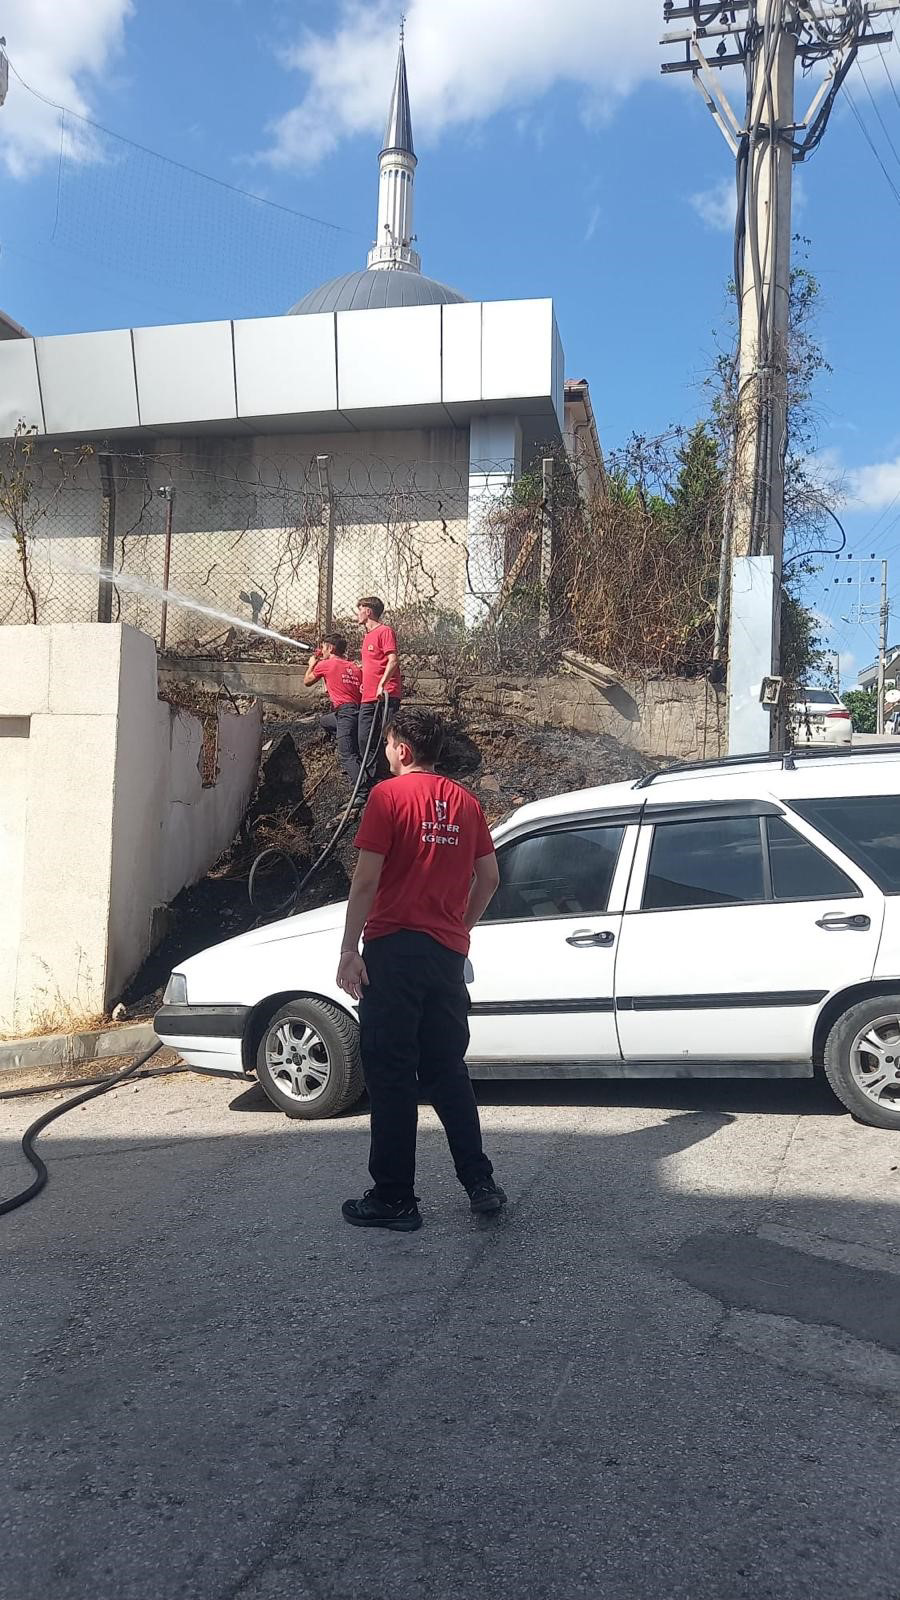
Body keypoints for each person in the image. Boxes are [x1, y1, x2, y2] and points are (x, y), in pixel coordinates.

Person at [336, 707, 505, 1232]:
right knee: (447, 1071)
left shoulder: (387, 798)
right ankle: (480, 1183)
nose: (385, 753)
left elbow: (365, 882)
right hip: (445, 957)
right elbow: (490, 878)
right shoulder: (468, 804)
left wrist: (348, 949)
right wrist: (460, 929)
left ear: (403, 750)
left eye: (387, 745)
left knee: (391, 1075)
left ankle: (395, 1197)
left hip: (394, 952)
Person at [356, 596, 403, 800]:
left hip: (386, 696)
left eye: (359, 609)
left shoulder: (385, 632)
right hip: (367, 696)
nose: (357, 614)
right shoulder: (367, 637)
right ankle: (374, 781)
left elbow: (393, 660)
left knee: (387, 737)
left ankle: (388, 782)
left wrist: (381, 684)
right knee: (365, 737)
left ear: (368, 611)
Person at [303, 635, 363, 790]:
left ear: (330, 648)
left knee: (347, 755)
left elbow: (307, 681)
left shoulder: (326, 664)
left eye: (323, 647)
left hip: (345, 713)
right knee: (325, 721)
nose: (321, 651)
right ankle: (346, 736)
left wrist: (311, 664)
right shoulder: (354, 667)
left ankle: (363, 791)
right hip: (359, 711)